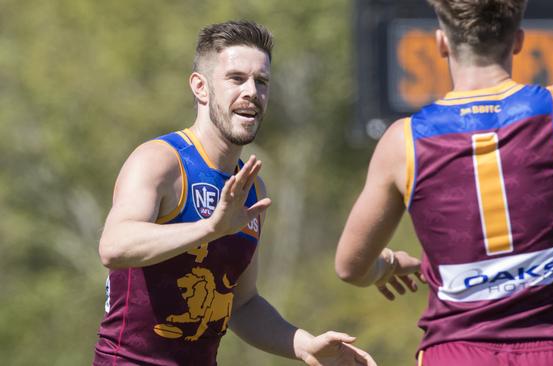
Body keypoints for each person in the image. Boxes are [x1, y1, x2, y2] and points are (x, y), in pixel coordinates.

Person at [334, 0, 553, 365]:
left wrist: (386, 265)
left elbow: (349, 266)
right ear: (518, 41)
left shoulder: (403, 142)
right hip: (549, 354)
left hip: (453, 355)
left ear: (441, 43)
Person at [93, 20, 376, 366]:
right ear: (200, 87)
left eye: (262, 82)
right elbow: (114, 246)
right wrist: (210, 228)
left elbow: (242, 303)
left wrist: (303, 345)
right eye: (236, 79)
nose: (252, 92)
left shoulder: (252, 187)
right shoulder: (161, 161)